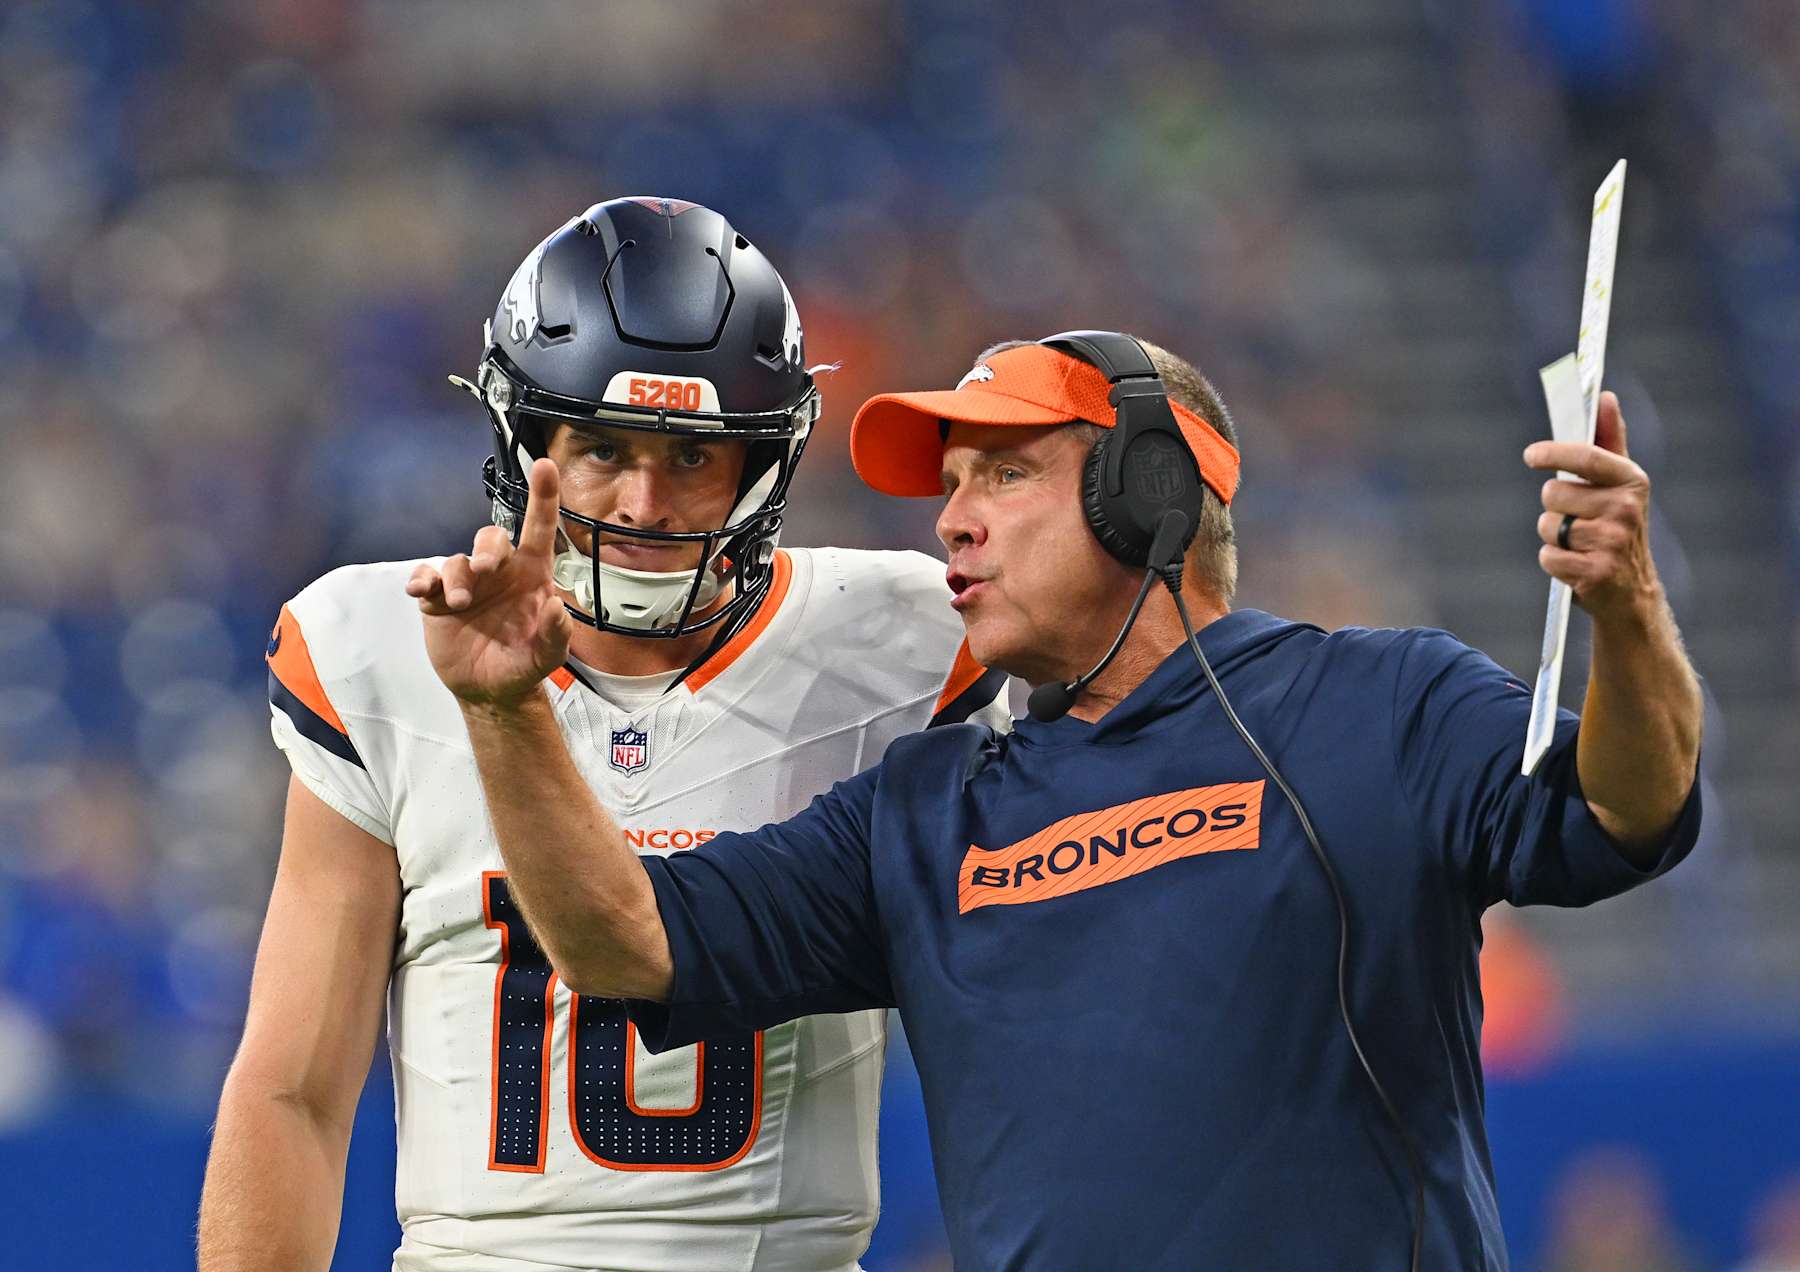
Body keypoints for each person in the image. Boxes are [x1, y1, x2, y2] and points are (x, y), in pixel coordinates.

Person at [411, 329, 1704, 1269]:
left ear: (1150, 493)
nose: (953, 525)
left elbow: (1624, 812)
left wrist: (1628, 614)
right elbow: (627, 945)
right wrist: (509, 714)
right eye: (951, 488)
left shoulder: (1378, 702)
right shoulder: (921, 808)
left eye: (1004, 475)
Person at [197, 197, 1009, 1272]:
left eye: (691, 459)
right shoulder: (376, 645)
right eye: (601, 449)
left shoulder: (902, 642)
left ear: (761, 466)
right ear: (523, 438)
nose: (644, 500)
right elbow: (293, 1090)